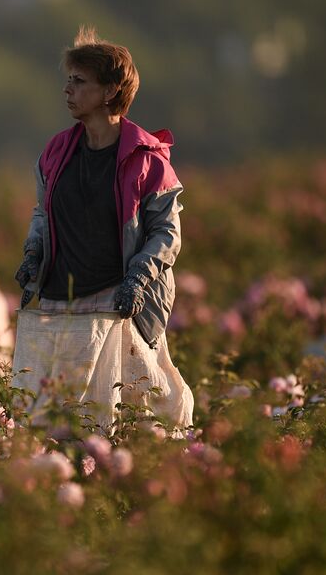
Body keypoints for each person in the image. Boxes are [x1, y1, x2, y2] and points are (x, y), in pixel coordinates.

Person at [10, 25, 193, 429]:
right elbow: (43, 212)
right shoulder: (57, 152)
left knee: (127, 411)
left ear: (110, 90)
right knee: (58, 412)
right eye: (68, 80)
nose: (67, 90)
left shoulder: (148, 161)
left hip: (116, 301)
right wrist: (33, 253)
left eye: (79, 81)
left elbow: (166, 234)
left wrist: (138, 280)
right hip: (63, 299)